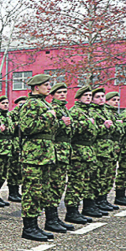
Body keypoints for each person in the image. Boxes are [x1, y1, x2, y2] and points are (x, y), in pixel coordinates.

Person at [16, 74, 60, 241]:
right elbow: (27, 127)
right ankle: (29, 228)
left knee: (41, 191)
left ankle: (35, 225)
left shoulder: (44, 103)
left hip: (44, 154)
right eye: (46, 85)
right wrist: (49, 116)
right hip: (33, 155)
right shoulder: (30, 104)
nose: (49, 87)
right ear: (36, 87)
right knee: (31, 191)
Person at [64, 86, 101, 223]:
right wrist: (86, 124)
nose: (88, 98)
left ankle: (85, 207)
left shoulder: (89, 112)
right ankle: (71, 211)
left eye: (90, 95)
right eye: (86, 95)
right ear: (79, 97)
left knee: (86, 181)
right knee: (75, 182)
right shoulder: (75, 111)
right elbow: (71, 129)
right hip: (78, 151)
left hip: (88, 151)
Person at [45, 82, 75, 233]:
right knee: (54, 185)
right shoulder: (53, 109)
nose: (62, 95)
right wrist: (63, 124)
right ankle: (50, 219)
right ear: (53, 95)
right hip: (56, 151)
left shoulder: (64, 109)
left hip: (64, 152)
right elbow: (49, 129)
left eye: (64, 92)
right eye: (59, 93)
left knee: (59, 185)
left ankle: (55, 218)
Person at [88, 87, 116, 216]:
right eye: (97, 97)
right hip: (97, 149)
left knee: (105, 176)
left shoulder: (106, 111)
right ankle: (93, 203)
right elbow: (91, 131)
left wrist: (113, 126)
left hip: (108, 148)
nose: (101, 99)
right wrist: (104, 127)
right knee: (95, 178)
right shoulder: (91, 111)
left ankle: (102, 200)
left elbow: (117, 129)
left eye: (102, 96)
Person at [6, 96, 27, 202]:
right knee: (13, 169)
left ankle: (16, 191)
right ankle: (12, 192)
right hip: (14, 144)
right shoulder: (12, 114)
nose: (22, 106)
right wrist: (19, 124)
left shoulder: (26, 114)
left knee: (19, 170)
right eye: (20, 104)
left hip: (23, 144)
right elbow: (10, 127)